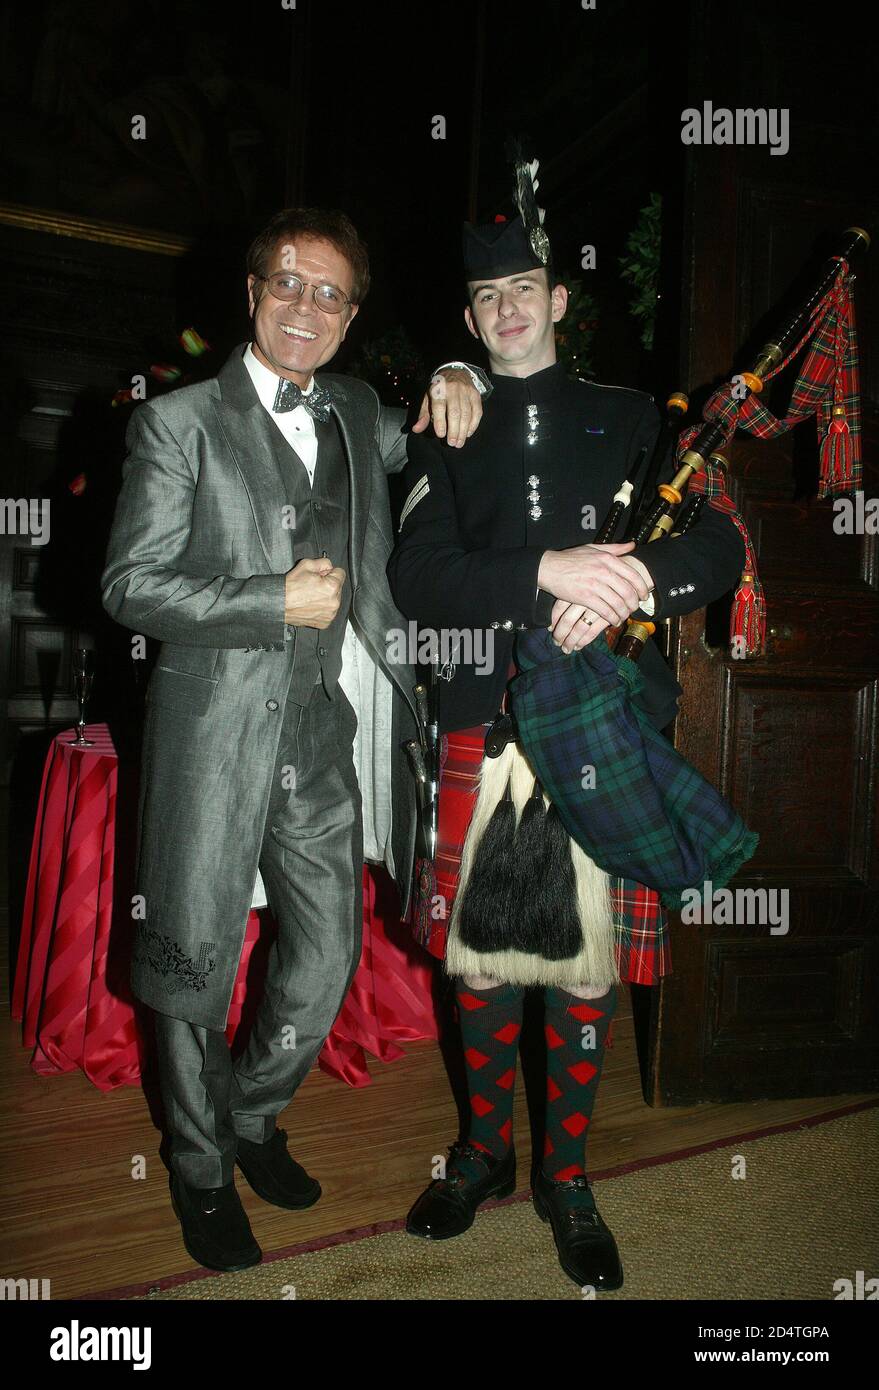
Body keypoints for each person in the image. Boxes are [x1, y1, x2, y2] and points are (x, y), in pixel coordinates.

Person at [101, 206, 486, 1273]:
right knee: (190, 958)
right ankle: (197, 1164)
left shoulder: (360, 407)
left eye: (329, 292)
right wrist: (268, 599)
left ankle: (249, 1114)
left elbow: (440, 435)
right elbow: (130, 584)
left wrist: (462, 369)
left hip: (319, 735)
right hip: (210, 738)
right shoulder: (178, 422)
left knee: (325, 958)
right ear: (253, 293)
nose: (305, 306)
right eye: (286, 283)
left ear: (353, 315)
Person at [387, 198, 746, 1291]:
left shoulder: (639, 417)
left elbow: (721, 544)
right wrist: (547, 572)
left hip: (604, 724)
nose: (507, 307)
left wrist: (632, 580)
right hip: (480, 726)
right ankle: (485, 1153)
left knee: (585, 979)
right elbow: (415, 577)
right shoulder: (441, 424)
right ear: (469, 311)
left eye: (523, 289)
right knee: (482, 971)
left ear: (559, 299)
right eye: (485, 294)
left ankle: (570, 1177)